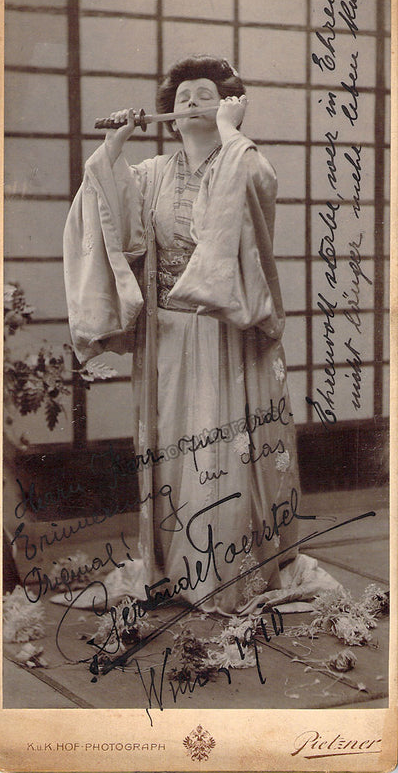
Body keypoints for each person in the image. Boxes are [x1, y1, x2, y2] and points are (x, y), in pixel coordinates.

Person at [64, 55, 336, 615]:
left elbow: (254, 191)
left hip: (223, 331)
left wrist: (233, 135)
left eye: (206, 94)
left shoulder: (246, 158)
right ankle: (171, 567)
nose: (190, 102)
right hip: (165, 333)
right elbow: (115, 224)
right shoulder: (152, 173)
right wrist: (113, 150)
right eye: (182, 95)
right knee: (171, 449)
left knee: (221, 447)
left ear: (230, 105)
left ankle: (227, 575)